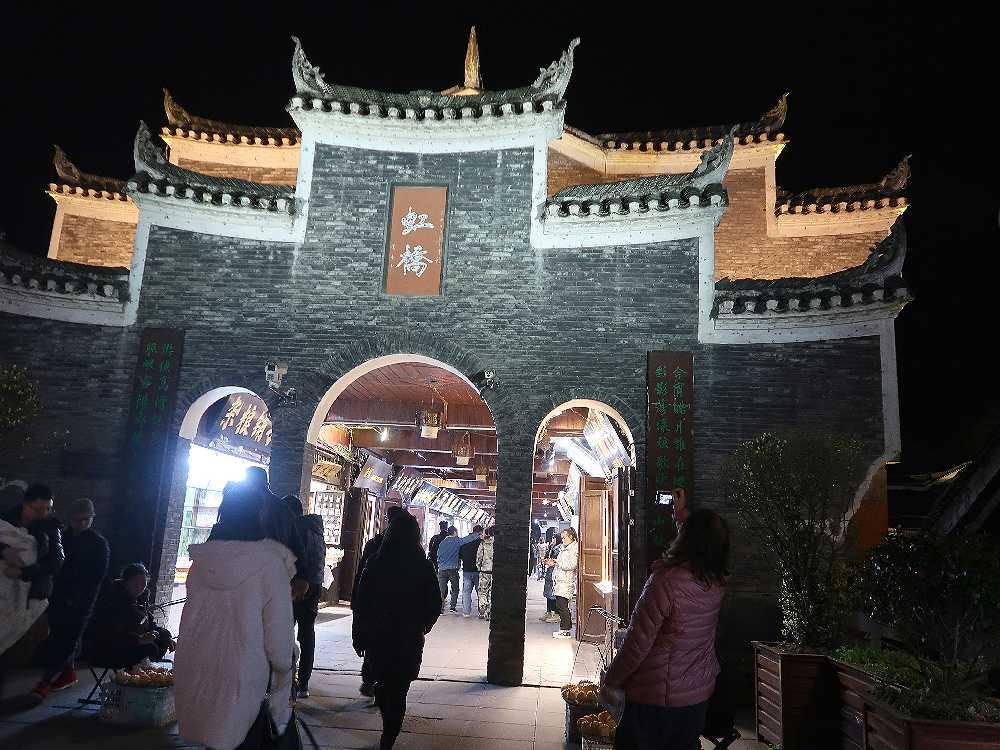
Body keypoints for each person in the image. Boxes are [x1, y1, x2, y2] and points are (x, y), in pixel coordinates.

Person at [174, 488, 297, 750]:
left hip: (199, 665)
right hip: (245, 673)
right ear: (259, 515)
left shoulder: (202, 562)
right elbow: (278, 638)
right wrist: (285, 667)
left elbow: (190, 616)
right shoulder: (269, 564)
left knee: (213, 737)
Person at [601, 509, 730, 750]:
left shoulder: (666, 582)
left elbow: (637, 644)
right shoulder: (717, 582)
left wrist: (611, 680)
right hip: (697, 695)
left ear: (686, 538)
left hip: (655, 699)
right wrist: (680, 514)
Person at [352, 512, 441, 750]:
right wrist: (424, 624)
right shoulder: (423, 565)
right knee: (399, 689)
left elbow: (361, 603)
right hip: (408, 637)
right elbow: (435, 602)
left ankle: (387, 728)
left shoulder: (376, 563)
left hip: (378, 636)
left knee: (383, 683)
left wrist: (358, 635)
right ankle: (389, 736)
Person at [33, 498, 109, 699]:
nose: (82, 524)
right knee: (59, 636)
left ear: (92, 519)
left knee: (66, 639)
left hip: (81, 601)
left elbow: (96, 577)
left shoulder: (98, 544)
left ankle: (46, 681)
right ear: (71, 519)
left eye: (86, 519)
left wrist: (79, 597)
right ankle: (67, 673)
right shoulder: (63, 538)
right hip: (58, 596)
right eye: (78, 520)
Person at [0, 483, 64, 668]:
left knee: (15, 651)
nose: (43, 514)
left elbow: (56, 561)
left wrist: (24, 572)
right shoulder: (5, 520)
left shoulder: (51, 527)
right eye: (37, 509)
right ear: (25, 504)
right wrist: (3, 550)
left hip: (32, 595)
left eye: (48, 509)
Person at [352, 505, 406, 698]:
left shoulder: (373, 544)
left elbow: (361, 574)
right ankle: (382, 686)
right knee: (392, 649)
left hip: (374, 606)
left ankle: (369, 680)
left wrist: (357, 601)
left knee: (373, 646)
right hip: (399, 610)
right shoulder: (410, 550)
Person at [86, 563, 174, 669]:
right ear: (125, 581)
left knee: (162, 641)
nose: (139, 587)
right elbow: (106, 634)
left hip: (129, 645)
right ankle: (137, 675)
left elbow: (150, 626)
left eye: (143, 583)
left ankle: (142, 672)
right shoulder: (111, 601)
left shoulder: (140, 601)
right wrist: (138, 640)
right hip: (105, 649)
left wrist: (166, 636)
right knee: (150, 648)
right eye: (135, 582)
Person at [285, 494, 324, 700]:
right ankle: (304, 683)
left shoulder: (296, 530)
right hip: (314, 586)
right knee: (307, 634)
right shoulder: (316, 530)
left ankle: (286, 679)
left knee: (284, 633)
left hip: (297, 586)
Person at [435, 526, 480, 613]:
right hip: (453, 569)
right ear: (455, 532)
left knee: (441, 590)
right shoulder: (456, 541)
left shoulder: (442, 543)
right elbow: (467, 539)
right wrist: (478, 535)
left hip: (442, 569)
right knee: (455, 589)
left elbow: (438, 555)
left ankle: (440, 608)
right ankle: (452, 607)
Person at [547, 527, 578, 639]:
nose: (563, 540)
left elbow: (571, 565)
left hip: (566, 581)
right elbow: (562, 562)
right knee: (561, 605)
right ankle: (564, 629)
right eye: (562, 538)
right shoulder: (564, 548)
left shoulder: (574, 549)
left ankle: (565, 630)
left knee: (562, 606)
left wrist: (557, 563)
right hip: (560, 580)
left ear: (571, 537)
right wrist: (555, 562)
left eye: (564, 537)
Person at [458, 525, 484, 617]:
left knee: (466, 592)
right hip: (478, 571)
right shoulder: (481, 542)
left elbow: (460, 556)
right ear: (480, 532)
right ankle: (482, 612)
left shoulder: (464, 541)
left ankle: (466, 612)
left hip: (467, 570)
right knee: (480, 592)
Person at [539, 528, 561, 623]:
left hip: (555, 573)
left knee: (553, 594)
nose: (552, 540)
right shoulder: (552, 547)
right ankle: (548, 612)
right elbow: (547, 556)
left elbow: (557, 560)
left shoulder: (559, 548)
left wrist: (552, 562)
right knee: (548, 593)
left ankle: (555, 613)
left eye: (554, 538)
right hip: (549, 572)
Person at [475, 527, 495, 620]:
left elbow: (479, 557)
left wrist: (479, 567)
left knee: (483, 591)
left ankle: (482, 611)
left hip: (484, 570)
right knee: (492, 591)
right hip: (495, 572)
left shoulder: (483, 543)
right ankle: (489, 612)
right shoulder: (498, 544)